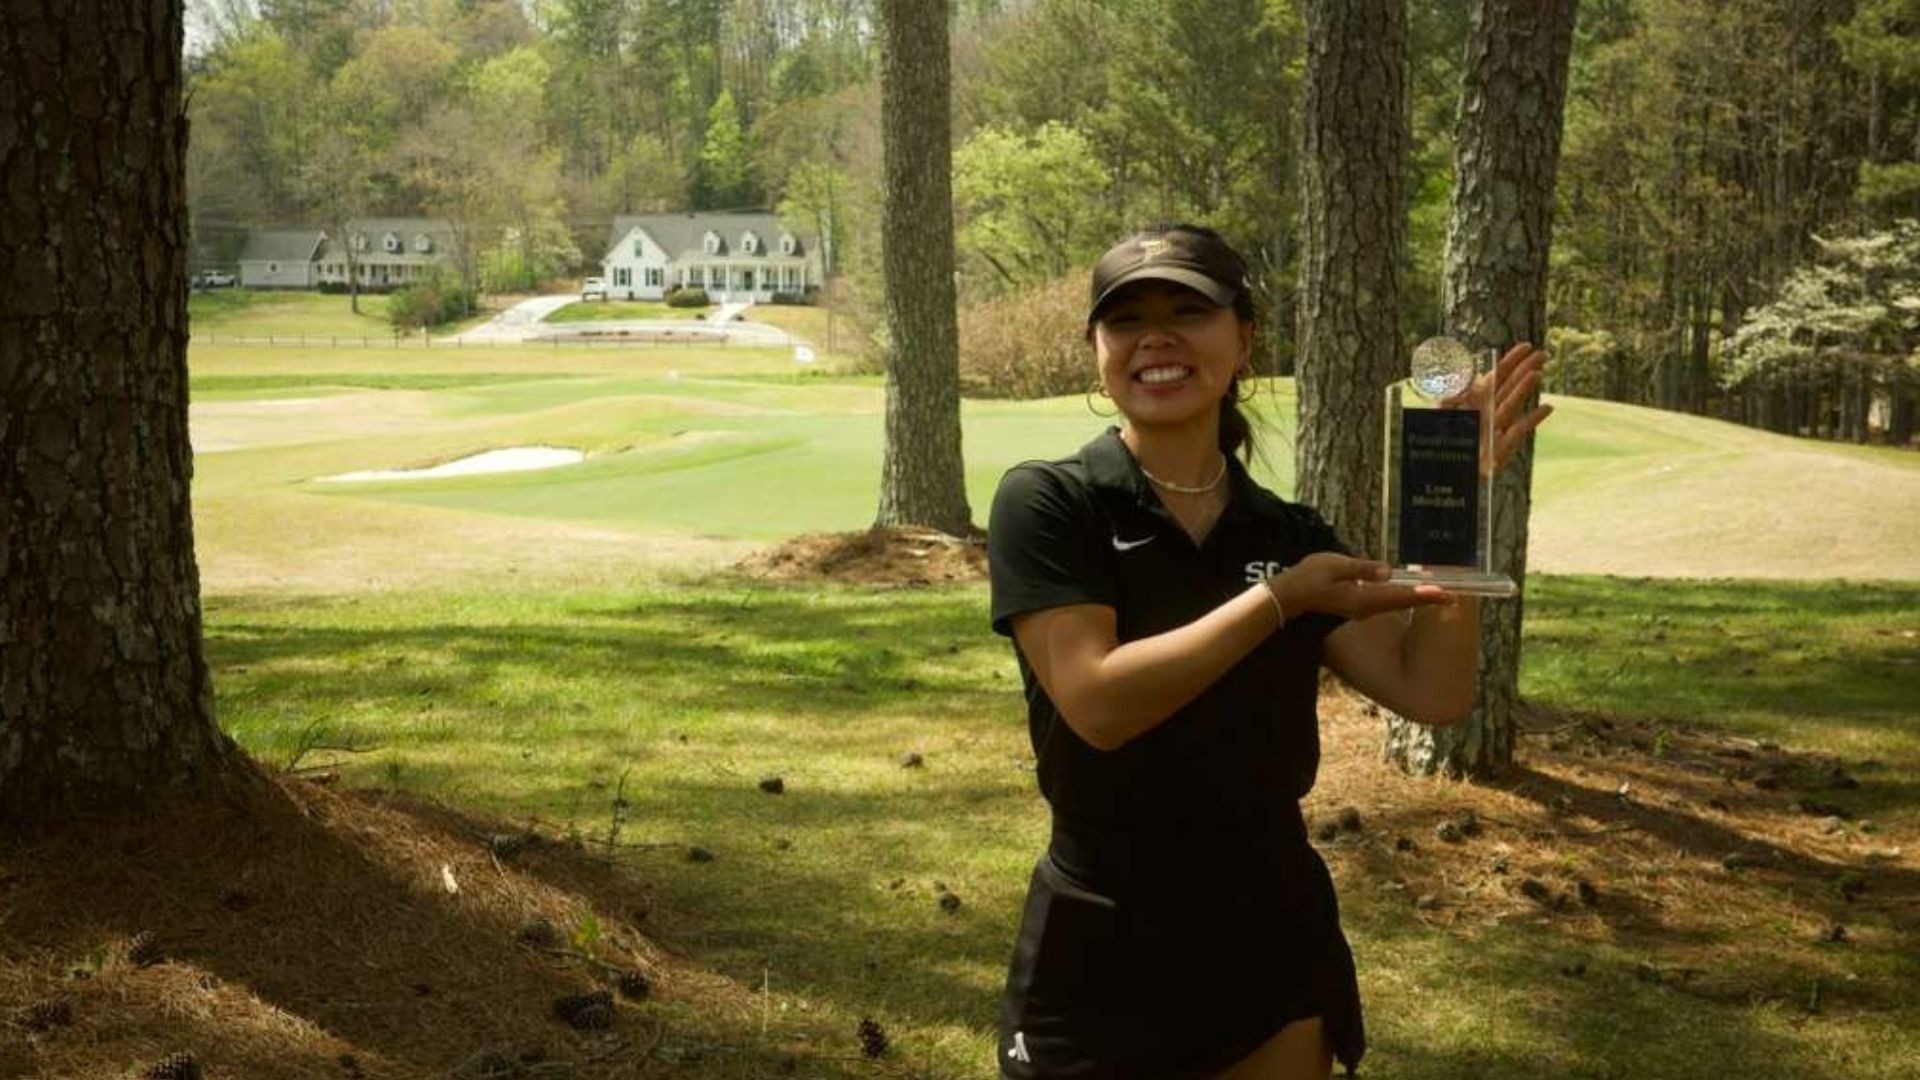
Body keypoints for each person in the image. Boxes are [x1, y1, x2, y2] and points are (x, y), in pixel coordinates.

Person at [986, 224, 1551, 1079]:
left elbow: (1430, 691)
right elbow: (1099, 704)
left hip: (1267, 918)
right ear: (1096, 350)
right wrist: (1278, 602)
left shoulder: (1287, 532)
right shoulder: (1052, 503)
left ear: (1245, 339)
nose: (1157, 337)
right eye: (1127, 319)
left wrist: (1452, 515)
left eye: (1189, 310)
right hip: (1103, 921)